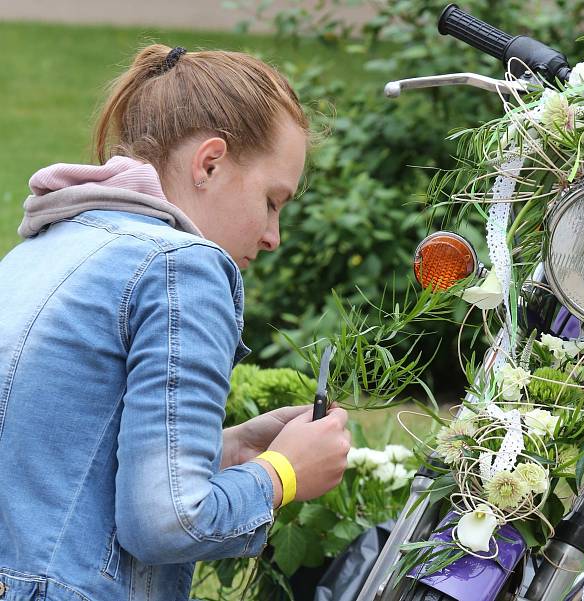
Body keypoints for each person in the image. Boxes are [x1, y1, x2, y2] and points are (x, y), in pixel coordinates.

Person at [0, 45, 351, 601]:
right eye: (271, 200)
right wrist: (283, 474)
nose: (272, 236)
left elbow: (56, 461)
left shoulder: (42, 248)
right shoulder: (183, 268)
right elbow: (167, 522)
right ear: (209, 164)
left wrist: (227, 452)